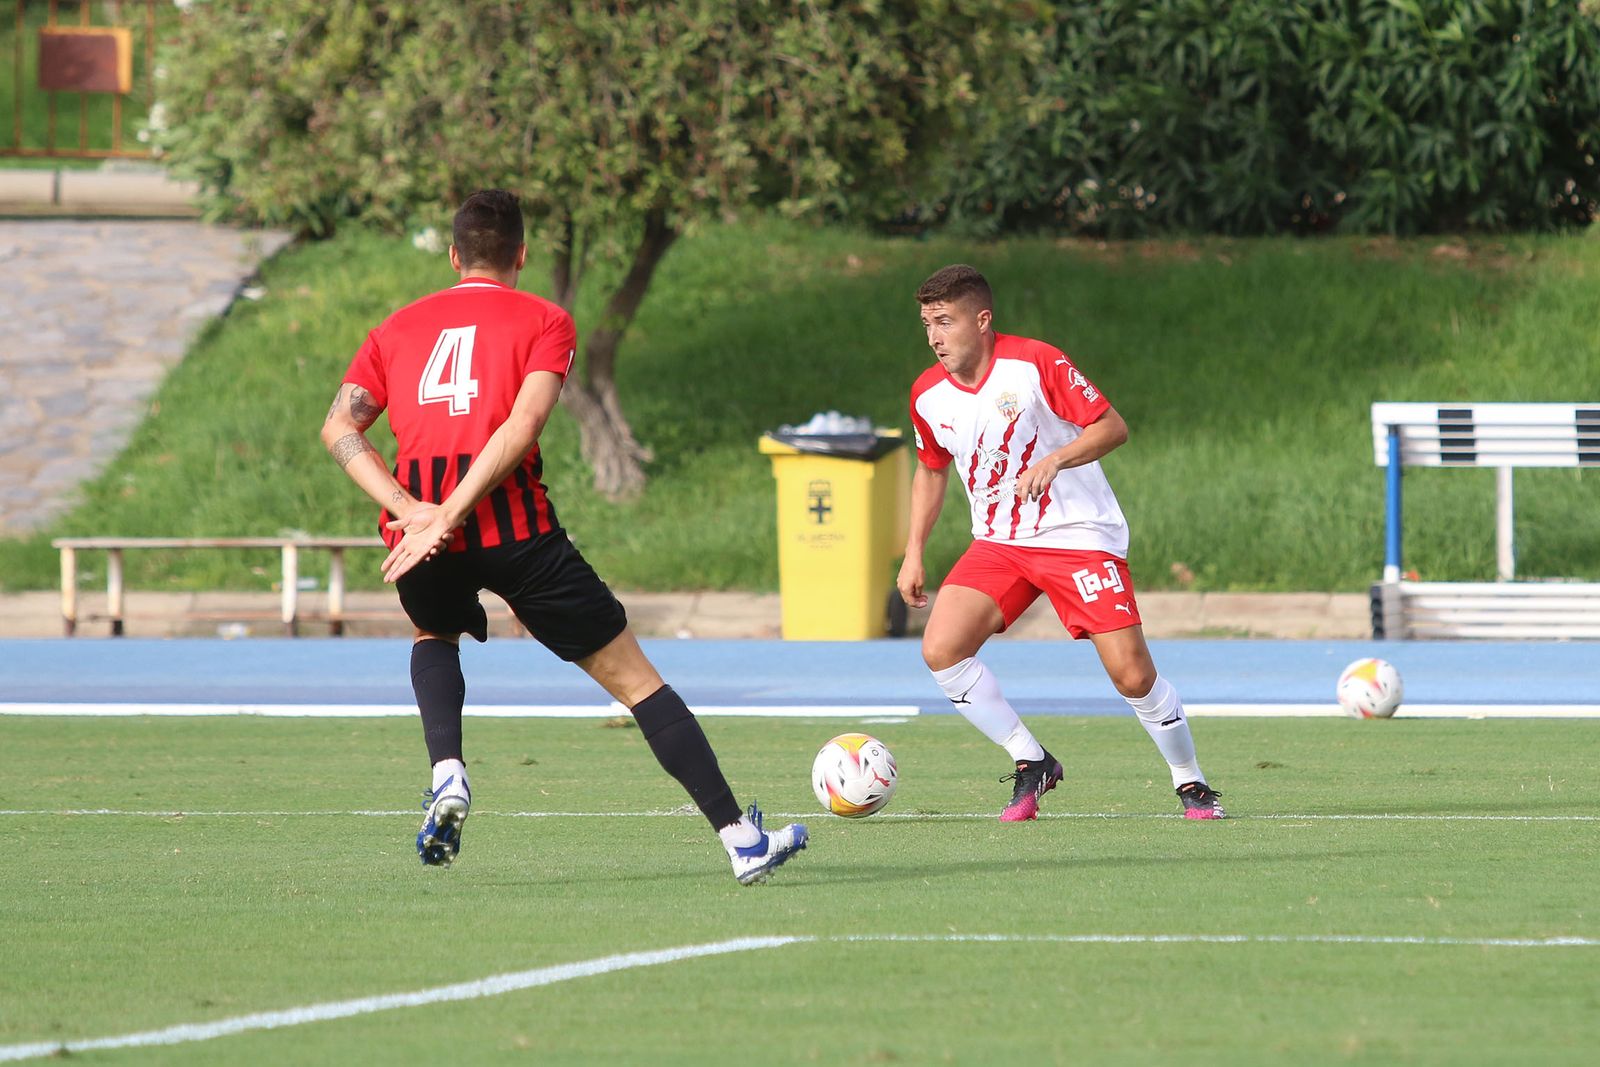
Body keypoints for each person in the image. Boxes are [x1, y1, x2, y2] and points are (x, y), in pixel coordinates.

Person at [320, 189, 807, 883]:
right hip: (515, 531)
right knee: (638, 683)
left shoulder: (395, 328)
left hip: (420, 538)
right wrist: (453, 511)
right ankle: (740, 838)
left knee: (435, 637)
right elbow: (519, 430)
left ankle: (449, 772)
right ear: (522, 255)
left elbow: (339, 427)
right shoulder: (546, 319)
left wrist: (413, 510)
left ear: (454, 255)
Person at [897, 264, 1224, 821]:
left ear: (982, 320)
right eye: (927, 323)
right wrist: (913, 552)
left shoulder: (1035, 363)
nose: (934, 336)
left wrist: (1056, 459)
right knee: (942, 649)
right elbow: (931, 469)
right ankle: (1032, 762)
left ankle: (1190, 782)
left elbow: (1111, 426)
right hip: (1000, 544)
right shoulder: (927, 394)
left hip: (1077, 535)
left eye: (945, 321)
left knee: (1132, 675)